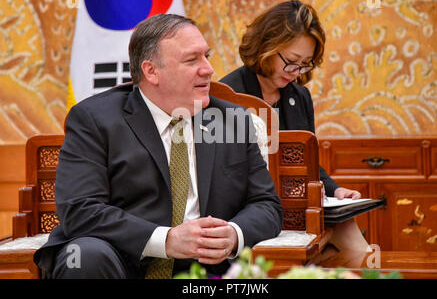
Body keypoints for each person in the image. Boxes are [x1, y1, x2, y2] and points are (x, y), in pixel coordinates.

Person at [33, 14, 283, 279]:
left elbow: (266, 204)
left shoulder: (232, 122)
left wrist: (233, 234)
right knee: (83, 256)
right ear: (151, 71)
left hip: (207, 270)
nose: (208, 69)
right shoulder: (95, 120)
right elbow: (80, 208)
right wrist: (165, 240)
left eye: (207, 56)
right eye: (192, 60)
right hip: (124, 261)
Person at [220, 0, 369, 258]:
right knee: (326, 253)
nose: (296, 72)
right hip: (249, 212)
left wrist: (336, 190)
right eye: (291, 61)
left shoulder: (299, 97)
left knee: (353, 243)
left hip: (300, 209)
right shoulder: (229, 96)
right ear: (266, 47)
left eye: (306, 64)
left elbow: (308, 164)